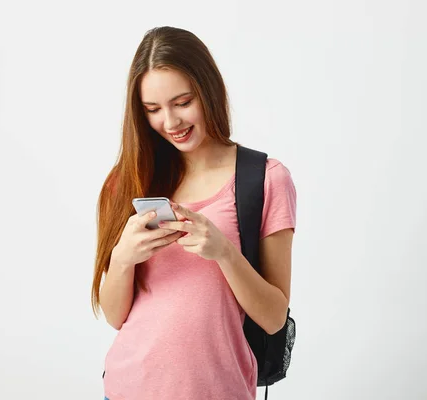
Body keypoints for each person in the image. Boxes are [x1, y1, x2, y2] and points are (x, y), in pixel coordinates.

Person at [91, 26, 297, 400]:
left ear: (209, 90)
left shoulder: (265, 179)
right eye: (153, 109)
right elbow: (115, 316)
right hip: (126, 389)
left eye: (183, 102)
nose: (170, 123)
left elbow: (273, 317)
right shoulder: (129, 181)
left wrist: (223, 252)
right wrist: (122, 259)